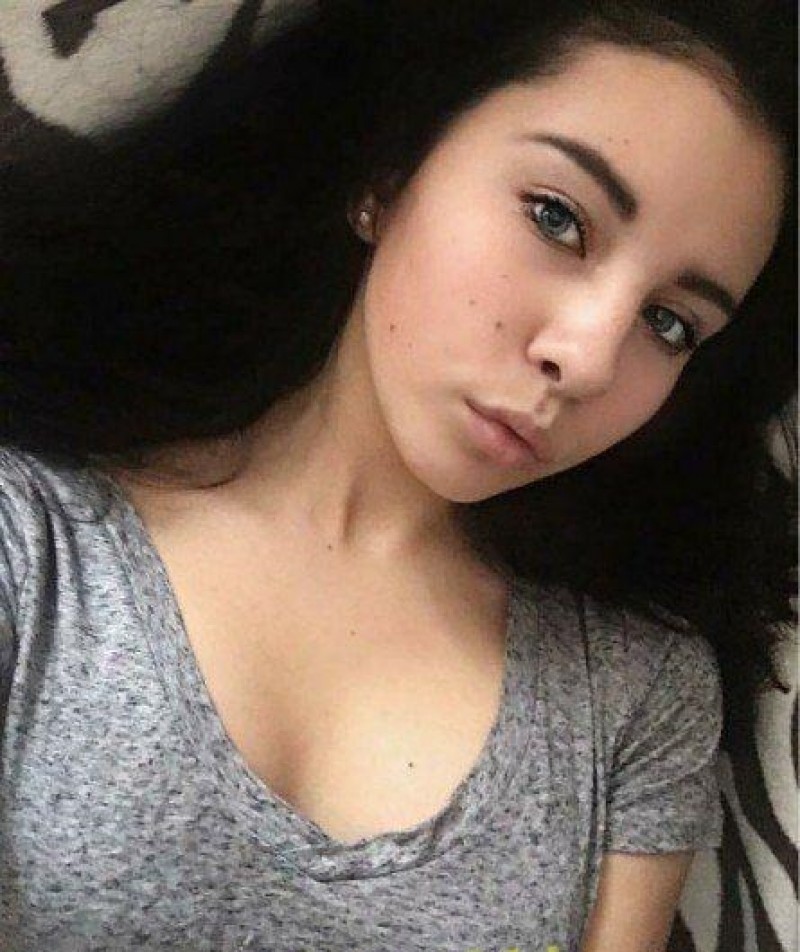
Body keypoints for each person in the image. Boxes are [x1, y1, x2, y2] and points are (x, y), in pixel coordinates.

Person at [0, 1, 795, 950]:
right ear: (390, 171)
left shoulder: (635, 691)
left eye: (670, 323)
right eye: (557, 218)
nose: (588, 360)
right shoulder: (34, 550)